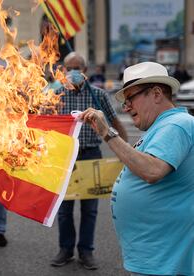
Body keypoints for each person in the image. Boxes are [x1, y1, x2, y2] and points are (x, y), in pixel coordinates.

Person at [79, 61, 194, 276]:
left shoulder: (176, 124)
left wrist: (107, 133)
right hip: (155, 256)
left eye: (130, 98)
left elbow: (152, 171)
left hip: (164, 260)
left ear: (157, 93)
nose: (126, 106)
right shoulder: (161, 126)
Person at [51, 52, 128, 270]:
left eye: (78, 68)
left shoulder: (98, 95)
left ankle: (86, 251)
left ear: (85, 71)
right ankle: (65, 249)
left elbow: (115, 123)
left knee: (90, 209)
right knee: (64, 209)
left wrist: (126, 152)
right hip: (64, 157)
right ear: (63, 71)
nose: (74, 72)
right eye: (69, 68)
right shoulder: (55, 95)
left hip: (91, 154)